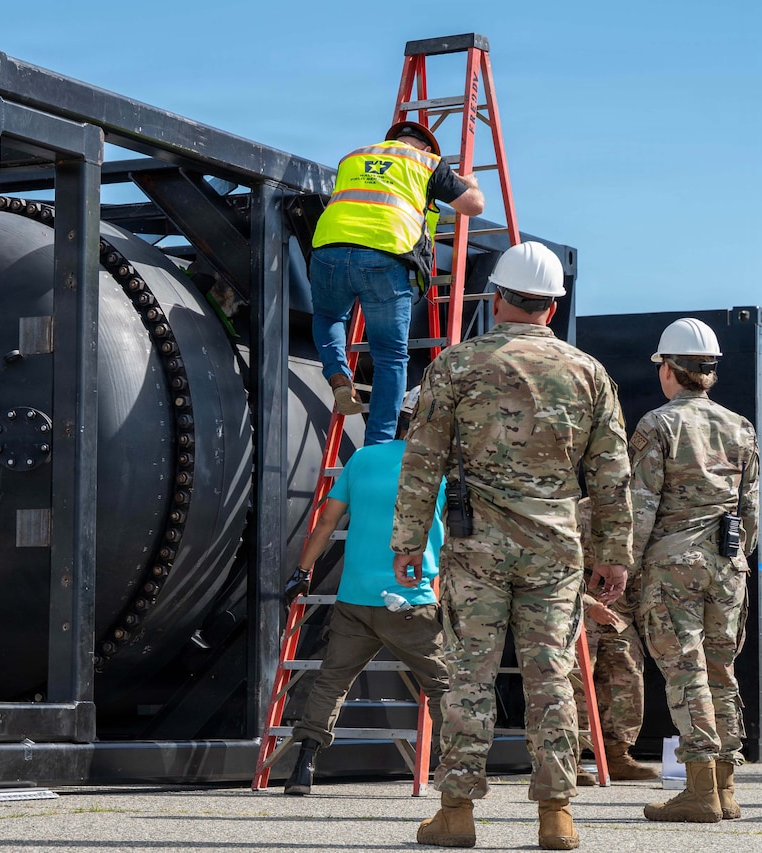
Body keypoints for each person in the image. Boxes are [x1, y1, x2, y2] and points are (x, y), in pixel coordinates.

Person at [389, 241, 632, 850]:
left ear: (496, 298)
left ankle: (456, 812)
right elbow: (611, 473)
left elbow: (422, 461)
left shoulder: (455, 365)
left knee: (468, 673)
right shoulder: (588, 373)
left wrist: (410, 539)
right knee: (552, 672)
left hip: (477, 547)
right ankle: (557, 815)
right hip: (556, 546)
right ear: (552, 306)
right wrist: (614, 554)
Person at [281, 388, 447, 796]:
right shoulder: (442, 469)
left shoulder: (362, 459)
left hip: (354, 599)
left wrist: (302, 572)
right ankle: (455, 769)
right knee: (446, 686)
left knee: (331, 682)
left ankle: (303, 767)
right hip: (412, 599)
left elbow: (325, 525)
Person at [631, 318, 759, 824]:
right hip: (729, 566)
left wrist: (626, 567)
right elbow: (751, 511)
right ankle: (726, 788)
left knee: (686, 673)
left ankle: (700, 788)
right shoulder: (741, 426)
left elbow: (640, 506)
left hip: (673, 563)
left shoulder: (658, 425)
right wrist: (735, 556)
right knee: (722, 672)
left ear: (668, 370)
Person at [309, 120, 484, 445]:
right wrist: (467, 182)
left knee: (329, 317)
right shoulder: (427, 163)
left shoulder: (354, 157)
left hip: (329, 247)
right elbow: (472, 206)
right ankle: (378, 443)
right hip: (387, 254)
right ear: (427, 148)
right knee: (390, 356)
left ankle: (338, 375)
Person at [570, 499, 658, 786]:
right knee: (576, 677)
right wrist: (587, 602)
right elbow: (557, 570)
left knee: (627, 669)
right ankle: (569, 758)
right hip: (575, 604)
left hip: (618, 612)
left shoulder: (646, 517)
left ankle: (616, 753)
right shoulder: (581, 513)